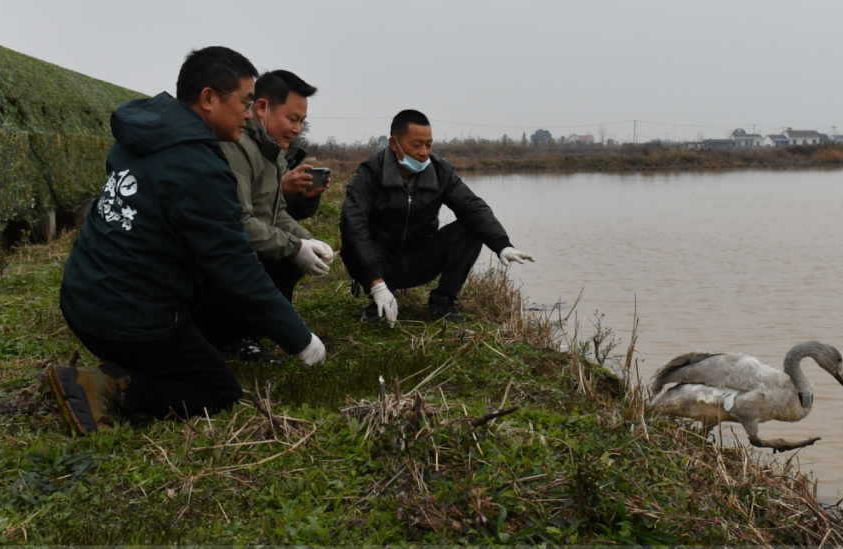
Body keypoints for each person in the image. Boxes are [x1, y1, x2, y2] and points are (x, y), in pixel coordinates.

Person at [46, 47, 326, 436]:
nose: (248, 113)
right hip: (125, 317)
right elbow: (236, 267)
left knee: (204, 328)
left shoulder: (144, 133)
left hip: (82, 293)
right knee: (218, 389)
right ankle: (105, 384)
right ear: (208, 98)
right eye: (245, 102)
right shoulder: (198, 166)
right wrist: (300, 339)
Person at [339, 109, 534, 325]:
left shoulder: (442, 172)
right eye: (416, 145)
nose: (424, 152)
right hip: (382, 261)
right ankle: (380, 296)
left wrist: (502, 244)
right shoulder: (370, 172)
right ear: (394, 144)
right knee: (351, 242)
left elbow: (473, 208)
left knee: (471, 229)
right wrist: (375, 281)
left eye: (429, 144)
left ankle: (443, 300)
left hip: (420, 258)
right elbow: (353, 222)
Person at [191, 69, 332, 362]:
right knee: (277, 255)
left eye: (302, 122)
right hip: (210, 268)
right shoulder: (235, 147)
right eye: (292, 119)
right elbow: (236, 223)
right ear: (261, 108)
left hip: (237, 255)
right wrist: (295, 247)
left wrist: (307, 240)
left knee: (288, 255)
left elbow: (277, 213)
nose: (296, 129)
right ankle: (229, 337)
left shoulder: (272, 152)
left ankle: (251, 330)